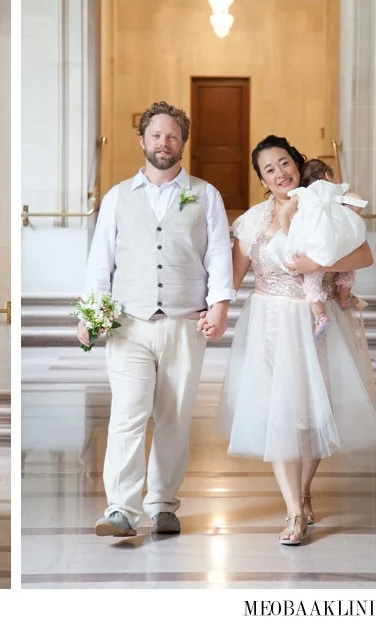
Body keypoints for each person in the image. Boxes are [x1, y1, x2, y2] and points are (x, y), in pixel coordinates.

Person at [211, 135, 376, 546]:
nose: (280, 173)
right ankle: (293, 511)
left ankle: (304, 492)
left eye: (284, 163)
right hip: (270, 325)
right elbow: (231, 278)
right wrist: (208, 308)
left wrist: (315, 262)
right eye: (269, 170)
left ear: (298, 163)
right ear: (262, 180)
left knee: (314, 414)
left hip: (316, 321)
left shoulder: (324, 205)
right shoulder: (253, 220)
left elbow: (364, 256)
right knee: (281, 416)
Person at [80, 101, 235, 538]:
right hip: (129, 323)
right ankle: (121, 509)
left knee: (174, 417)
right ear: (142, 140)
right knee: (128, 415)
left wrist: (220, 306)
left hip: (185, 322)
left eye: (171, 136)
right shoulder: (117, 197)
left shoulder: (206, 195)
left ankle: (164, 503)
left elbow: (218, 254)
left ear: (182, 143)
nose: (163, 142)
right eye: (156, 135)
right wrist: (90, 314)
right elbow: (100, 261)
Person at [265, 158, 369, 340]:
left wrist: (291, 233)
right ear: (327, 175)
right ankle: (344, 298)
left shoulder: (301, 194)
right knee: (346, 265)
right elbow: (360, 200)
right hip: (336, 239)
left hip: (313, 241)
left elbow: (283, 214)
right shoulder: (337, 190)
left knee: (313, 277)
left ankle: (320, 316)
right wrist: (348, 217)